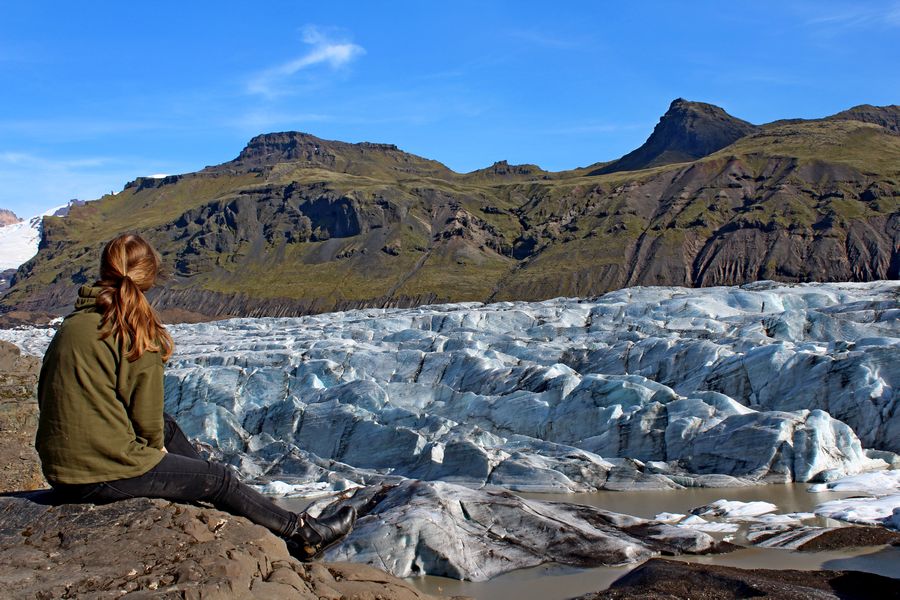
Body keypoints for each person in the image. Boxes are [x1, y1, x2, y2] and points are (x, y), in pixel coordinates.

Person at [35, 232, 355, 560]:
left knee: (169, 426)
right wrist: (167, 461)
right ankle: (304, 533)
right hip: (98, 473)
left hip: (62, 470)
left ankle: (200, 481)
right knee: (218, 479)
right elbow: (146, 422)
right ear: (150, 276)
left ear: (105, 270)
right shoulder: (132, 329)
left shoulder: (76, 322)